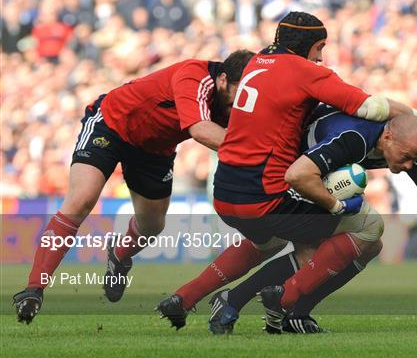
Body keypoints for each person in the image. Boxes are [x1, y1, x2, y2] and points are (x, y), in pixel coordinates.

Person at [155, 11, 417, 330]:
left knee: (266, 243)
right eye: (319, 48)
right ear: (306, 44)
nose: (321, 58)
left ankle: (184, 298)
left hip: (226, 189)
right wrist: (413, 114)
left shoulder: (258, 61)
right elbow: (369, 107)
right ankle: (283, 306)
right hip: (265, 193)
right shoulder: (304, 70)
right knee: (367, 229)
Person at [13, 49, 255, 324]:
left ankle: (119, 254)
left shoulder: (239, 100)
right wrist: (257, 153)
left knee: (152, 226)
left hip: (154, 150)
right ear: (223, 80)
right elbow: (201, 130)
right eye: (241, 90)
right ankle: (33, 289)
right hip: (111, 124)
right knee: (80, 200)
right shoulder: (195, 77)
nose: (245, 99)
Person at [208, 105, 417, 334]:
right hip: (285, 172)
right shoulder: (353, 135)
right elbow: (301, 171)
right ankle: (240, 301)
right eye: (406, 157)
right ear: (387, 138)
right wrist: (337, 205)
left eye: (414, 159)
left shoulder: (410, 150)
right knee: (317, 251)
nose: (410, 165)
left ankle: (291, 312)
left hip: (306, 174)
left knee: (367, 246)